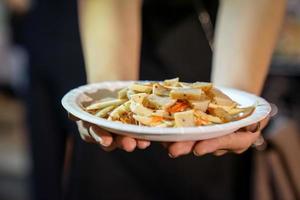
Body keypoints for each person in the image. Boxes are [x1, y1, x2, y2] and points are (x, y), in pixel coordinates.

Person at [66, 0, 286, 200]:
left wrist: (233, 104)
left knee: (207, 172)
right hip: (102, 31)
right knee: (107, 174)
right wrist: (112, 98)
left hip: (208, 31)